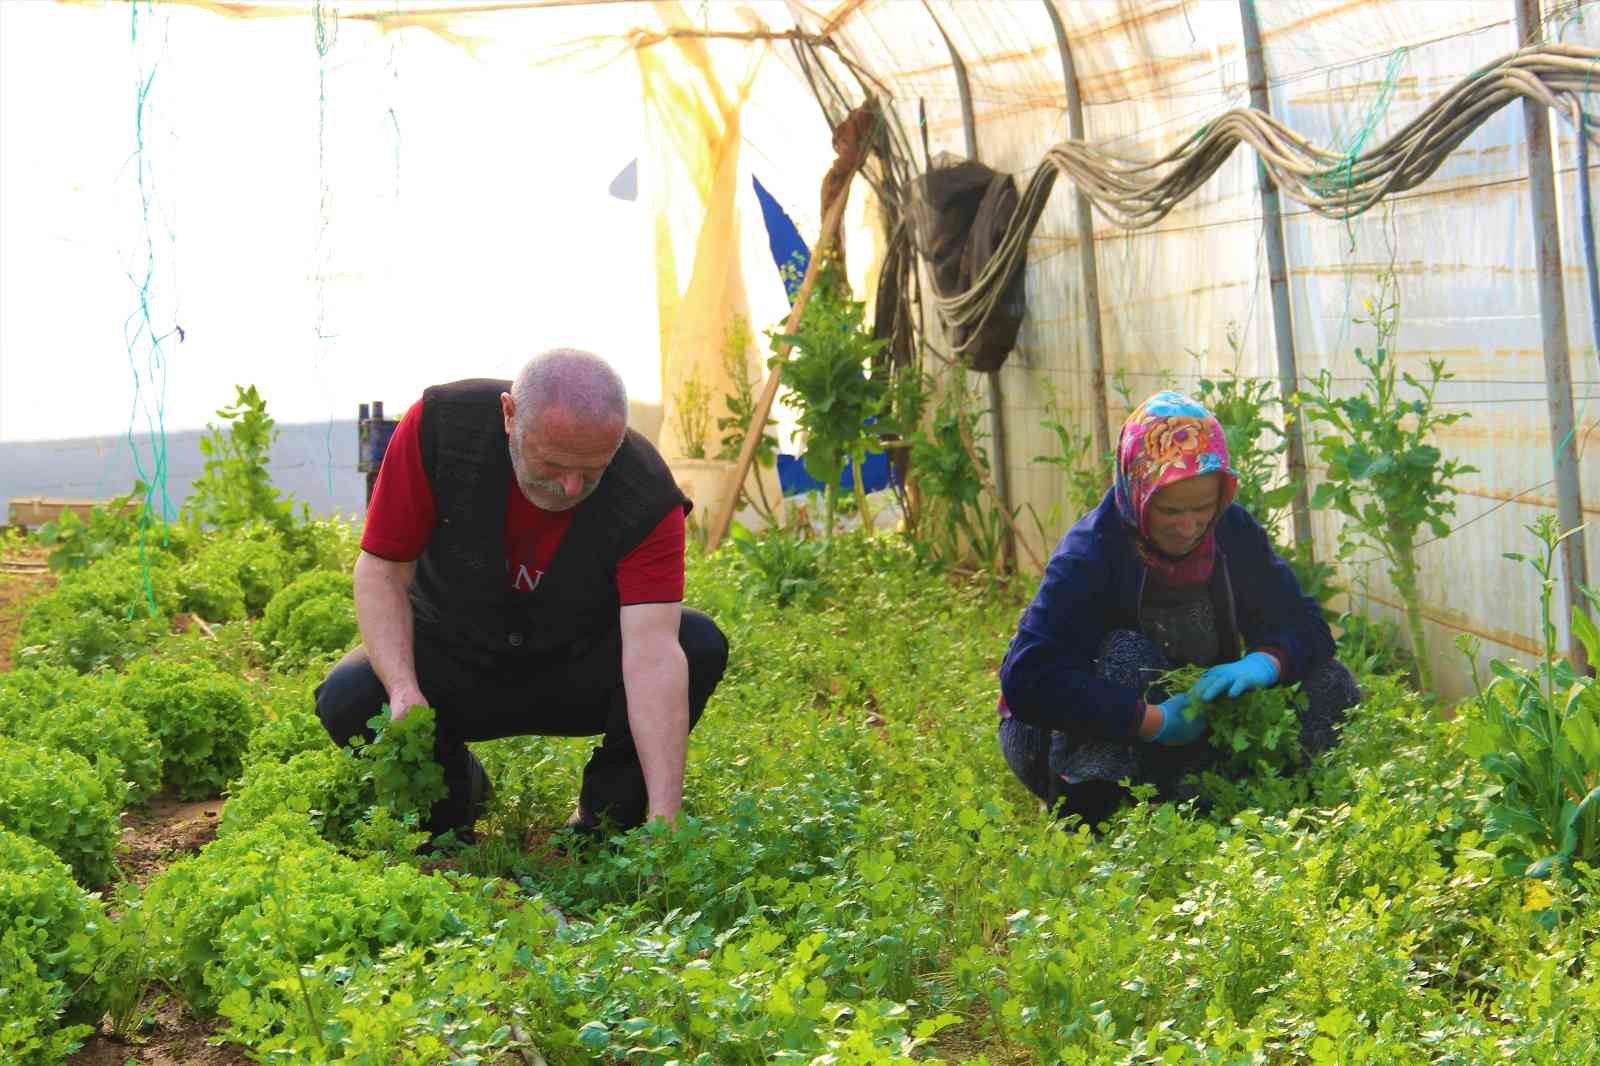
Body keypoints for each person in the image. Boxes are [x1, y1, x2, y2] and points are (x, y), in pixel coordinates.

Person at [315, 348, 729, 844]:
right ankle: (454, 802)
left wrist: (667, 820)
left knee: (697, 642)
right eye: (553, 463)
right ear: (510, 416)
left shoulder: (647, 494)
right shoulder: (442, 430)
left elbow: (654, 653)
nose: (571, 485)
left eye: (593, 470)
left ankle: (606, 821)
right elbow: (382, 570)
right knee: (350, 696)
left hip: (572, 666)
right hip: (455, 658)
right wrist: (404, 688)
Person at [997, 390, 1359, 827]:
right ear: (1137, 490)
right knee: (1126, 655)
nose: (1188, 526)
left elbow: (1307, 626)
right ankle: (1101, 815)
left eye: (1202, 507)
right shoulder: (1091, 553)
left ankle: (1283, 801)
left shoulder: (1231, 530)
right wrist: (1152, 721)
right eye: (1169, 510)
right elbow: (1029, 679)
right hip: (1068, 735)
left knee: (1329, 679)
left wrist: (1264, 663)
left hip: (1188, 716)